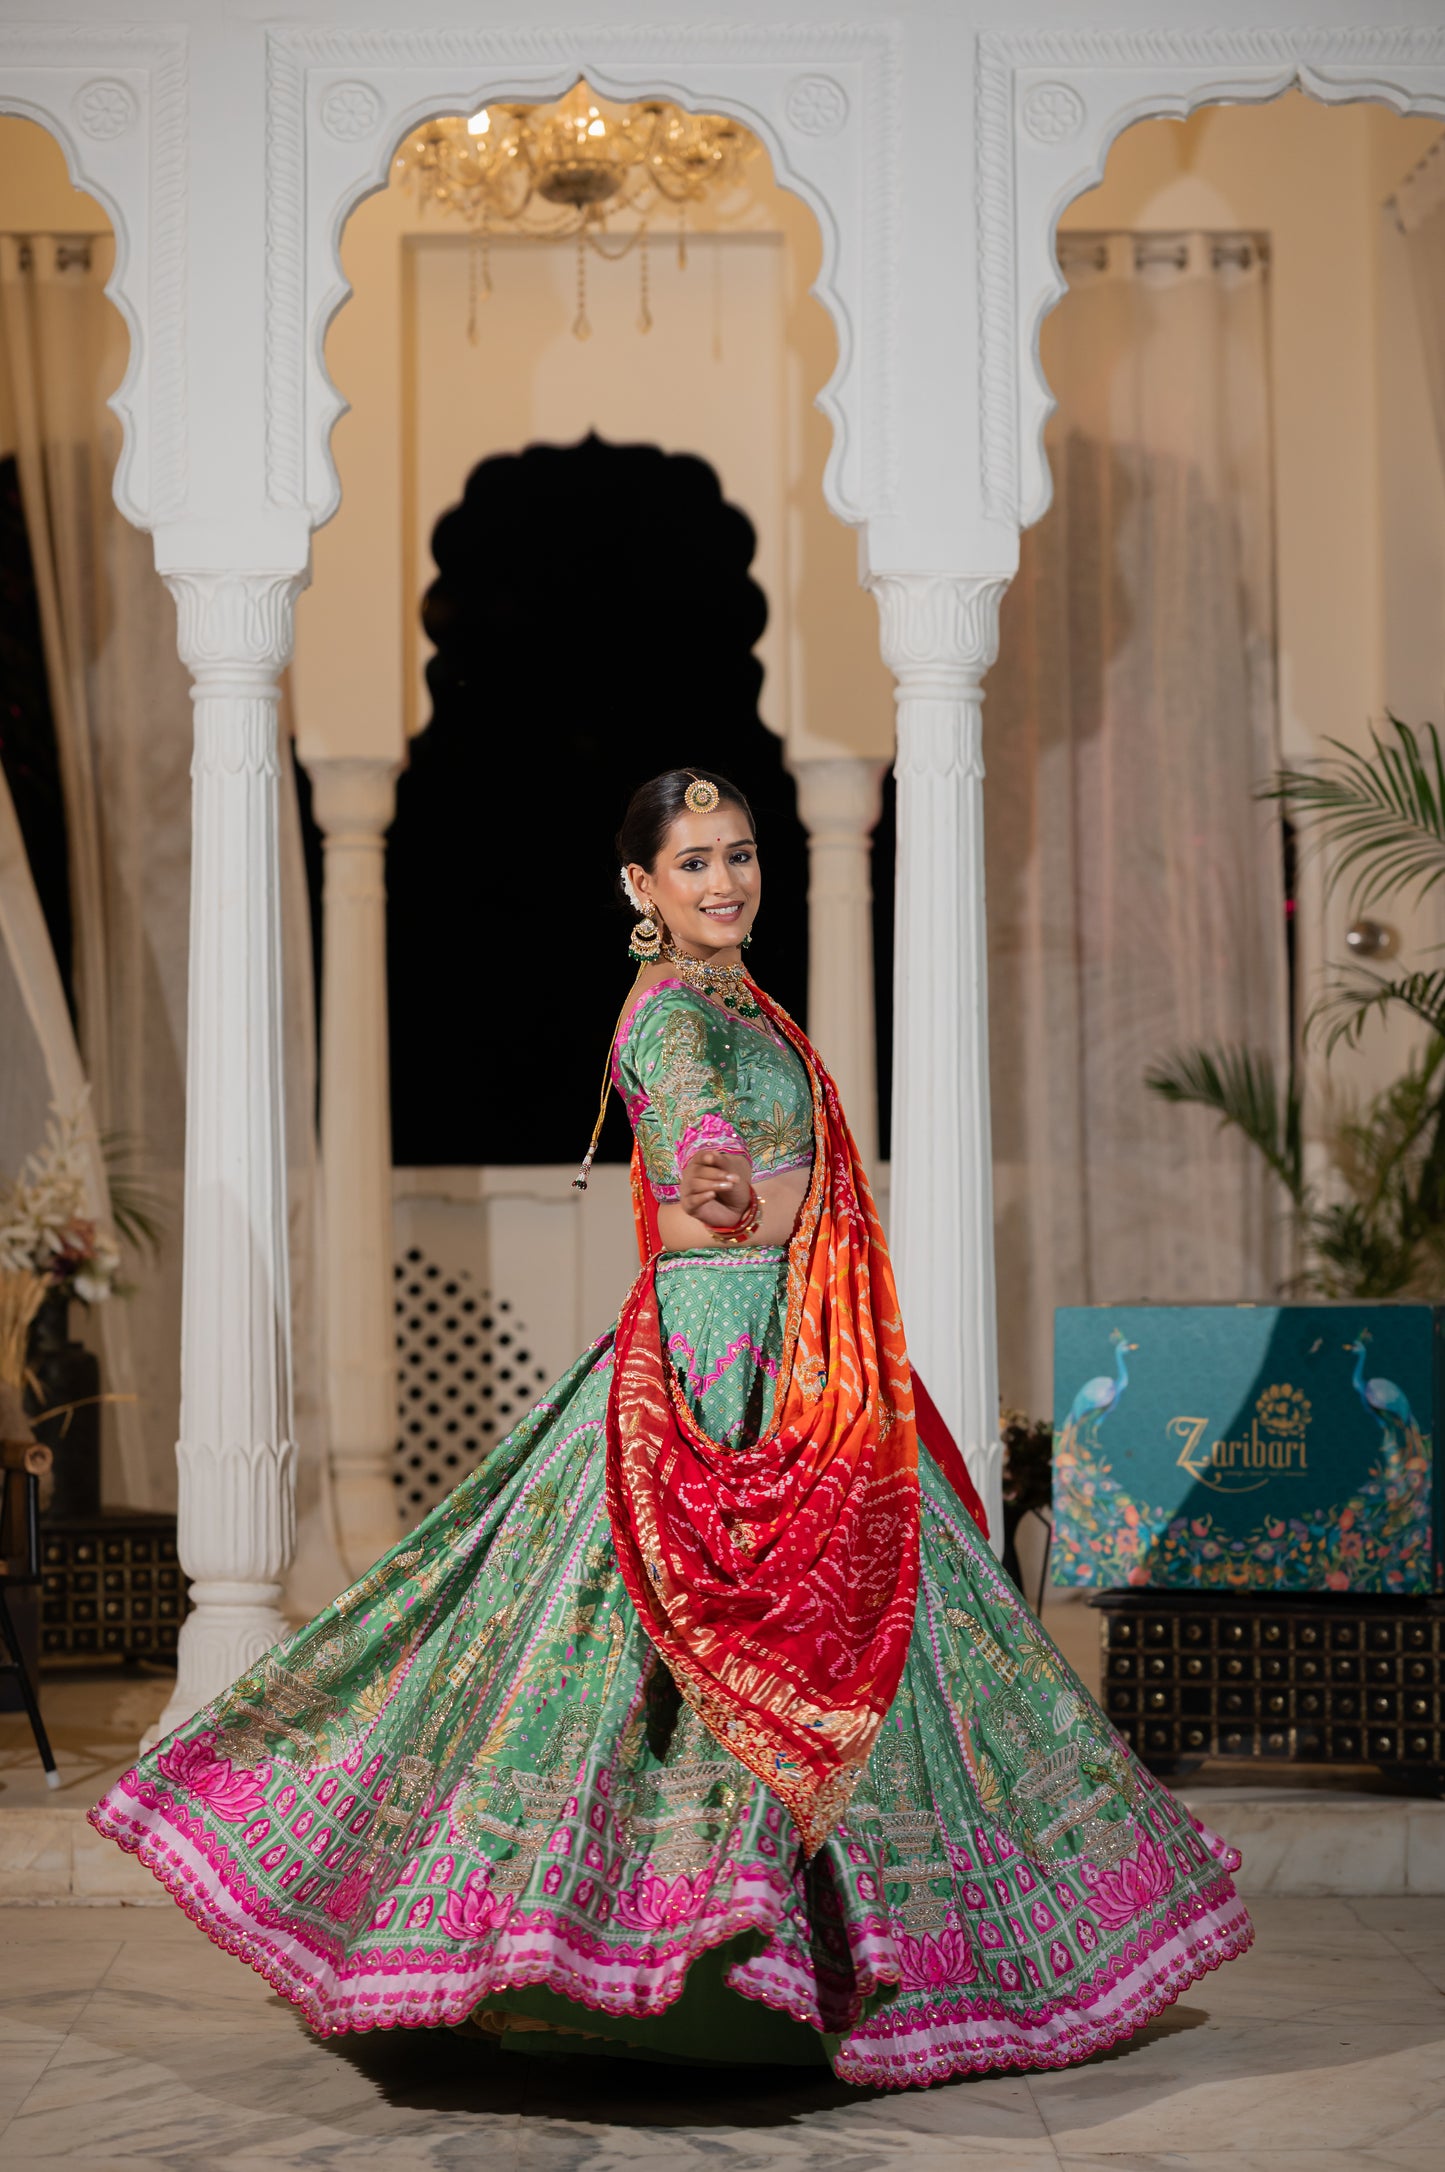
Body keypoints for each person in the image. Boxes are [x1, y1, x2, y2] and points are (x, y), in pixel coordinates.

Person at [91, 767, 1251, 2086]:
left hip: (801, 1354)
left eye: (737, 855)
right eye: (691, 862)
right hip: (716, 1365)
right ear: (638, 888)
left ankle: (854, 1959)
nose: (723, 881)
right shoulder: (670, 1017)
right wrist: (704, 1156)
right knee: (714, 1636)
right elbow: (687, 1107)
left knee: (878, 1625)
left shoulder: (740, 1001)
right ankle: (666, 1964)